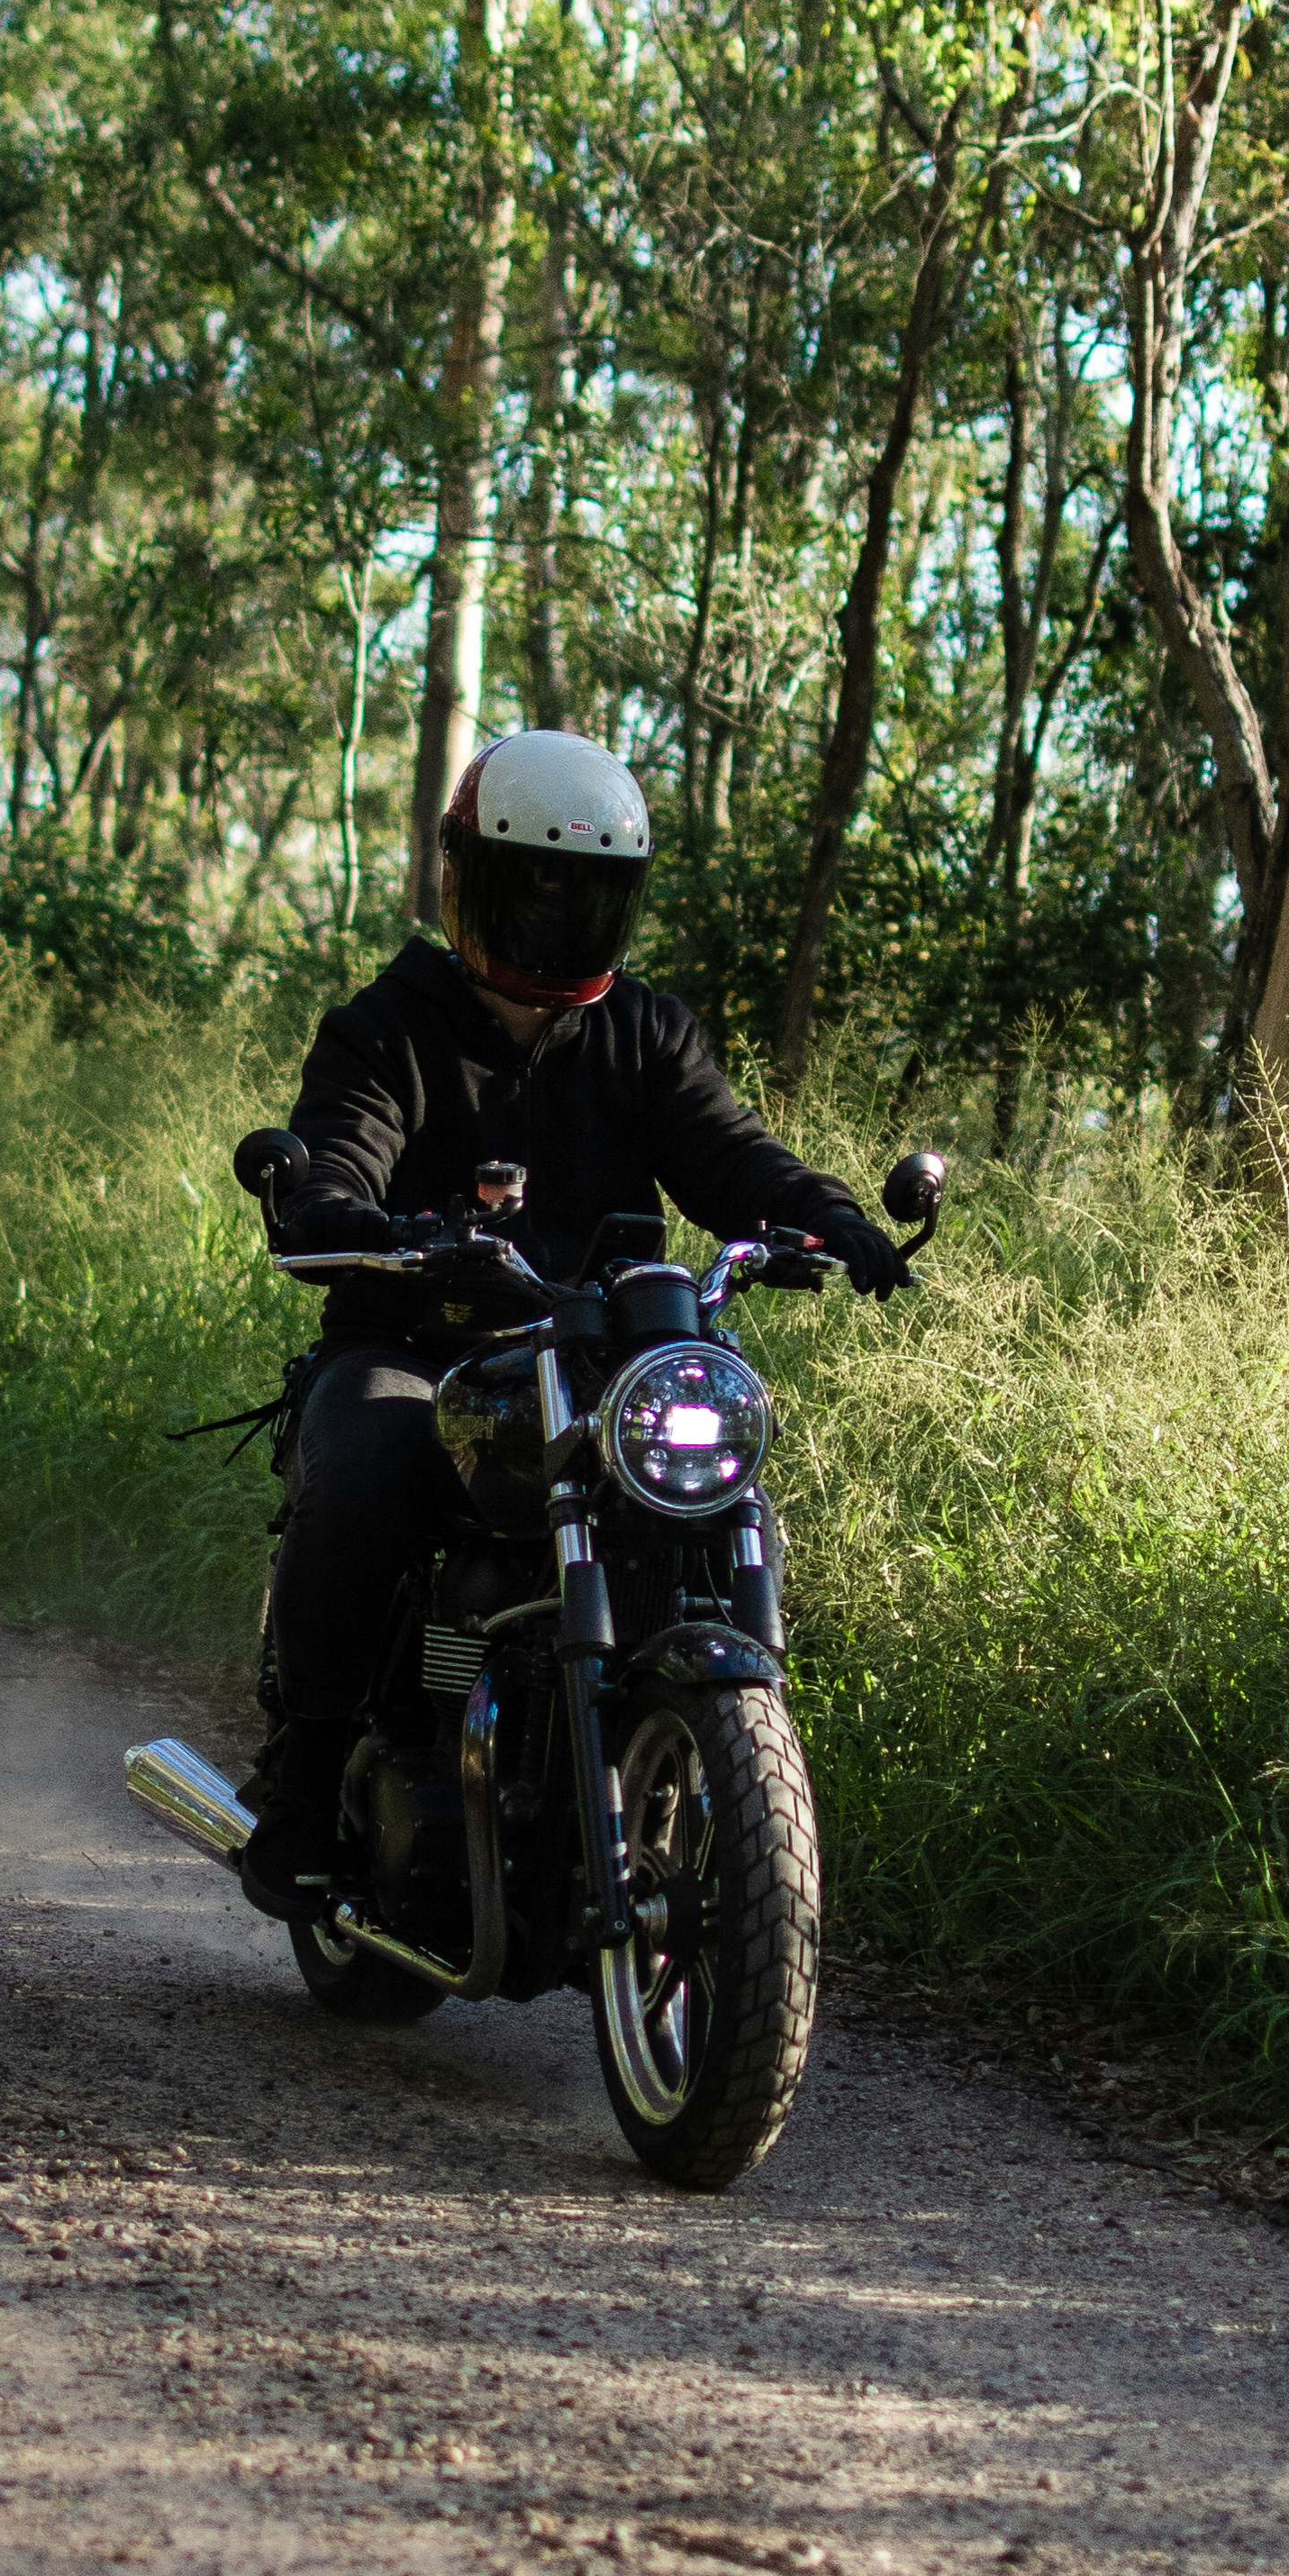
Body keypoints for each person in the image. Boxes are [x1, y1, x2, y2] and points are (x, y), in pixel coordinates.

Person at [239, 727, 907, 1917]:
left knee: (717, 1490)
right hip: (421, 1345)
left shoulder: (645, 1034)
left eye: (584, 892)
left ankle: (691, 1769)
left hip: (600, 1352)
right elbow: (344, 1149)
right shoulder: (390, 1026)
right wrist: (344, 1211)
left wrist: (827, 1217)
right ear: (469, 878)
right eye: (530, 883)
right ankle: (301, 1772)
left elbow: (725, 1148)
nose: (553, 916)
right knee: (365, 1459)